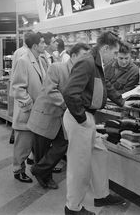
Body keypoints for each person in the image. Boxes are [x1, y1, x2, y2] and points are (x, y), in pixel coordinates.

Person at [63, 31, 126, 215]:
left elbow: (106, 85)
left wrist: (122, 101)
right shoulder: (87, 61)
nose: (115, 58)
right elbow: (70, 92)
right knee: (79, 165)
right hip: (79, 118)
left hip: (86, 117)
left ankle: (101, 195)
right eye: (114, 53)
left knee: (100, 154)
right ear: (105, 48)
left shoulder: (98, 63)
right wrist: (82, 118)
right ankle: (73, 208)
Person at [27, 43, 91, 189]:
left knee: (62, 144)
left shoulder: (81, 74)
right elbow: (50, 90)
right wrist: (68, 105)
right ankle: (45, 177)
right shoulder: (57, 67)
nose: (86, 60)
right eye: (83, 56)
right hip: (45, 115)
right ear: (73, 56)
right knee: (41, 151)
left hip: (62, 119)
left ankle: (39, 170)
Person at [11, 32, 47, 183]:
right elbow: (18, 88)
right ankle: (18, 170)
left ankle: (33, 166)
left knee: (31, 143)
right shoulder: (23, 61)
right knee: (23, 144)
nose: (45, 45)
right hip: (27, 112)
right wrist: (30, 106)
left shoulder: (39, 60)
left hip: (37, 112)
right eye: (43, 43)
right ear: (35, 46)